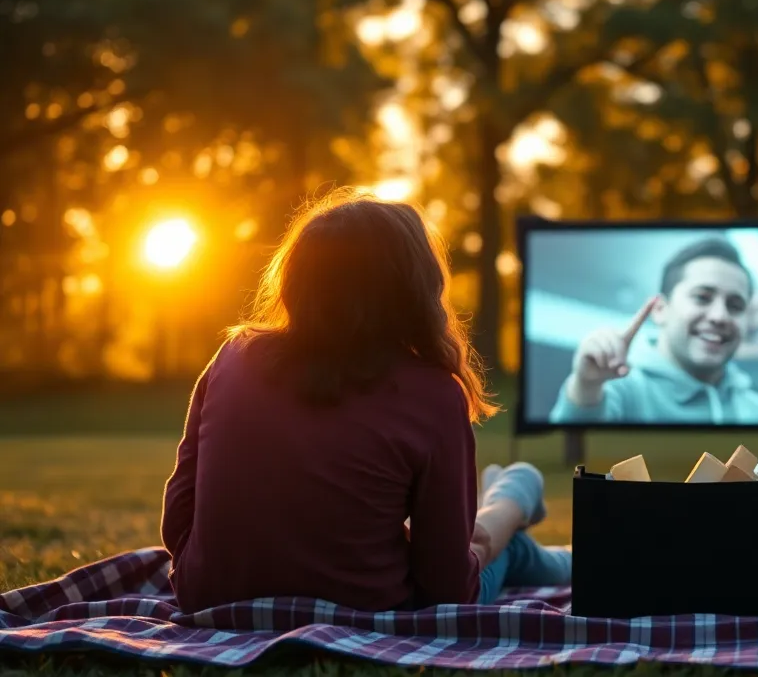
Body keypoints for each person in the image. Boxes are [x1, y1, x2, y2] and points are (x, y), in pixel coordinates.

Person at [160, 188, 571, 614]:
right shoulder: (432, 393)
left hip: (208, 596)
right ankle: (517, 494)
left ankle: (519, 508)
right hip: (367, 607)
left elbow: (178, 520)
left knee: (496, 545)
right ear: (416, 288)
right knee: (502, 537)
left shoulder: (234, 356)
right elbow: (448, 587)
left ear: (296, 279)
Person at [548, 236, 758, 424]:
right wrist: (586, 385)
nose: (720, 316)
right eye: (702, 297)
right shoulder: (621, 391)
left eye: (735, 305)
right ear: (660, 309)